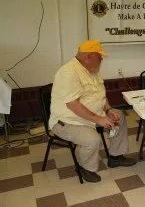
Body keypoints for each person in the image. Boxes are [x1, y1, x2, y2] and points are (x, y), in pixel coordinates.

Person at [49, 40, 136, 183]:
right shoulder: (67, 72)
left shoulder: (92, 70)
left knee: (119, 116)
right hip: (67, 121)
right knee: (92, 140)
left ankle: (115, 157)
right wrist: (99, 119)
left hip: (91, 117)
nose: (102, 59)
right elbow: (73, 105)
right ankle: (84, 168)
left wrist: (108, 109)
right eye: (99, 56)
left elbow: (100, 95)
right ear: (88, 56)